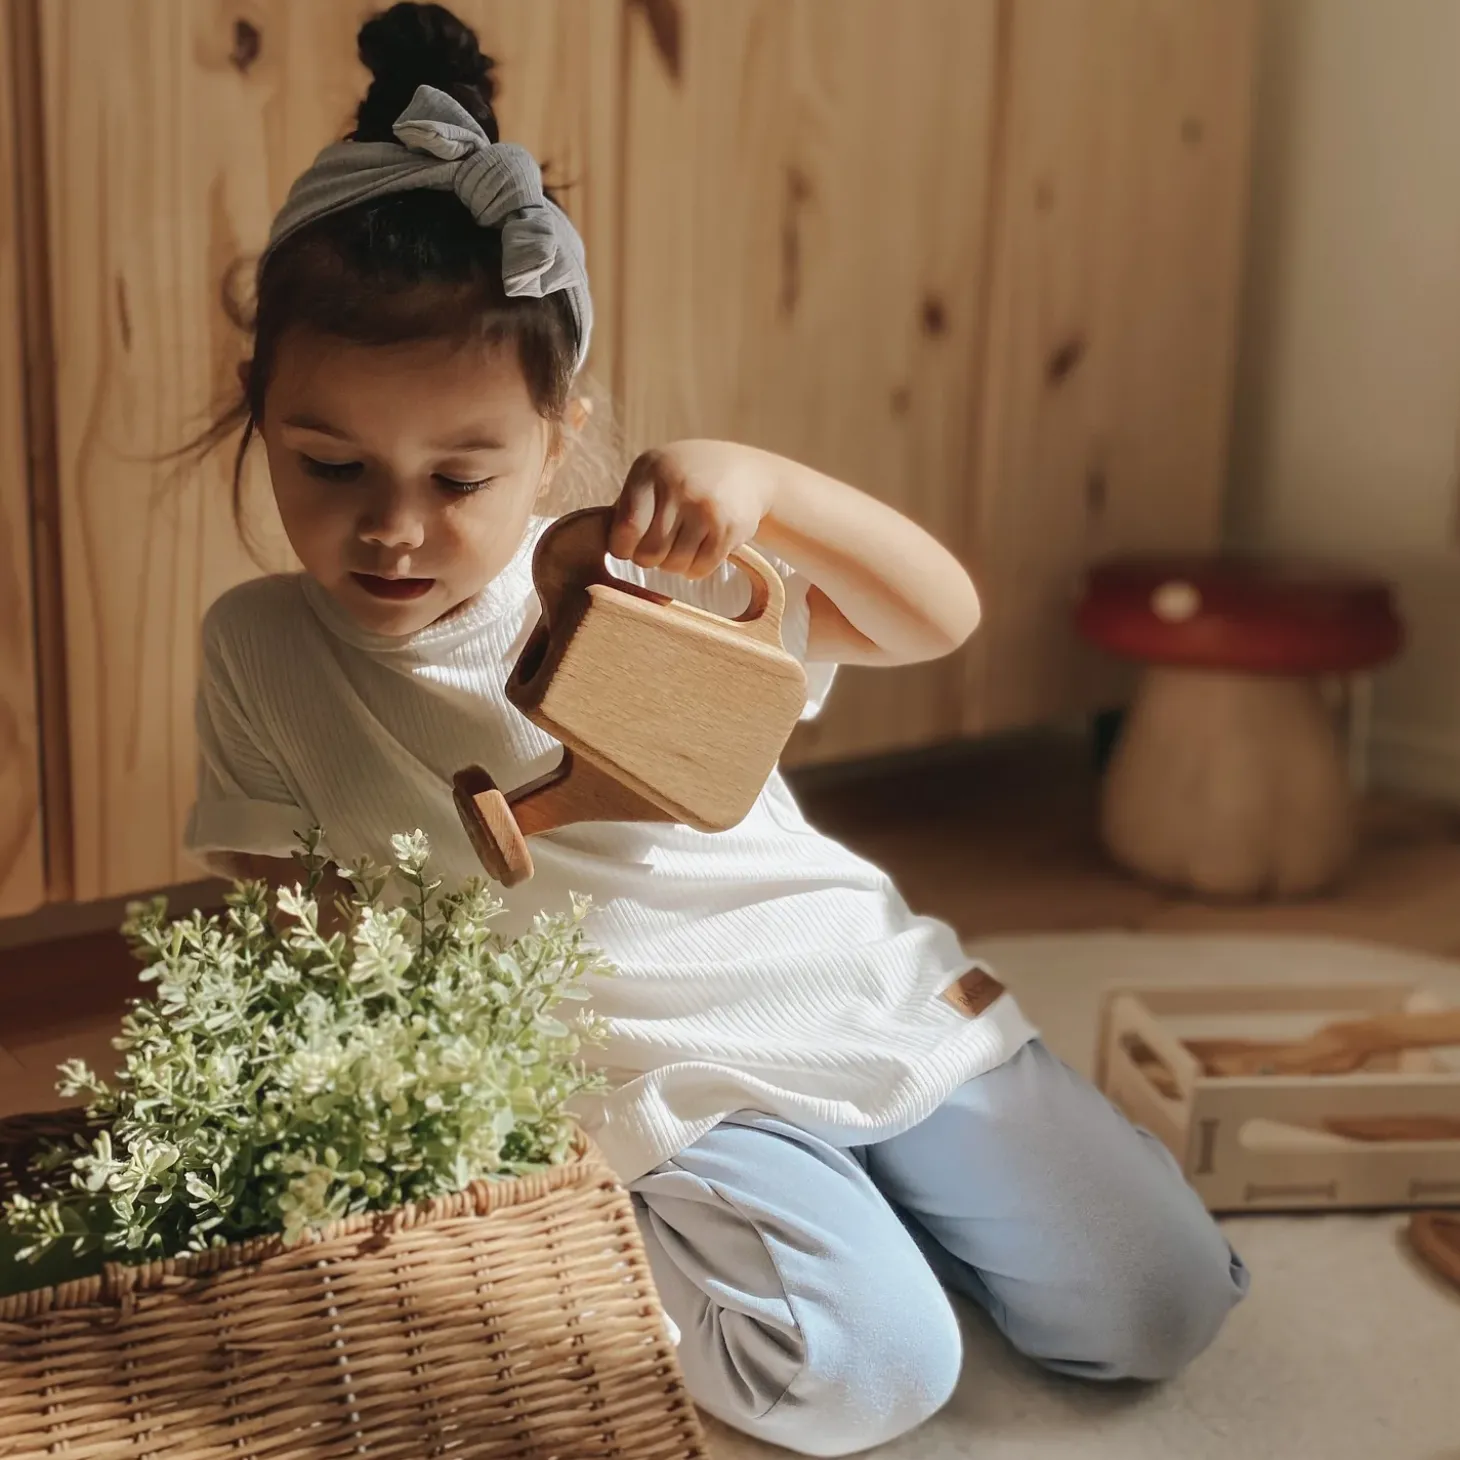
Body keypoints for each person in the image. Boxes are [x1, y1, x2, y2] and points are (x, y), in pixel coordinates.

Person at [185, 5, 1248, 1454]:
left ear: (554, 444)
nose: (393, 525)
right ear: (262, 414)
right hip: (645, 1072)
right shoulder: (258, 647)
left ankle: (894, 1197)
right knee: (865, 1373)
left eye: (460, 474)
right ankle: (710, 1232)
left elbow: (939, 617)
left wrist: (770, 483)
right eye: (330, 463)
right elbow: (286, 905)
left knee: (1158, 1309)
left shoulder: (627, 572)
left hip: (841, 985)